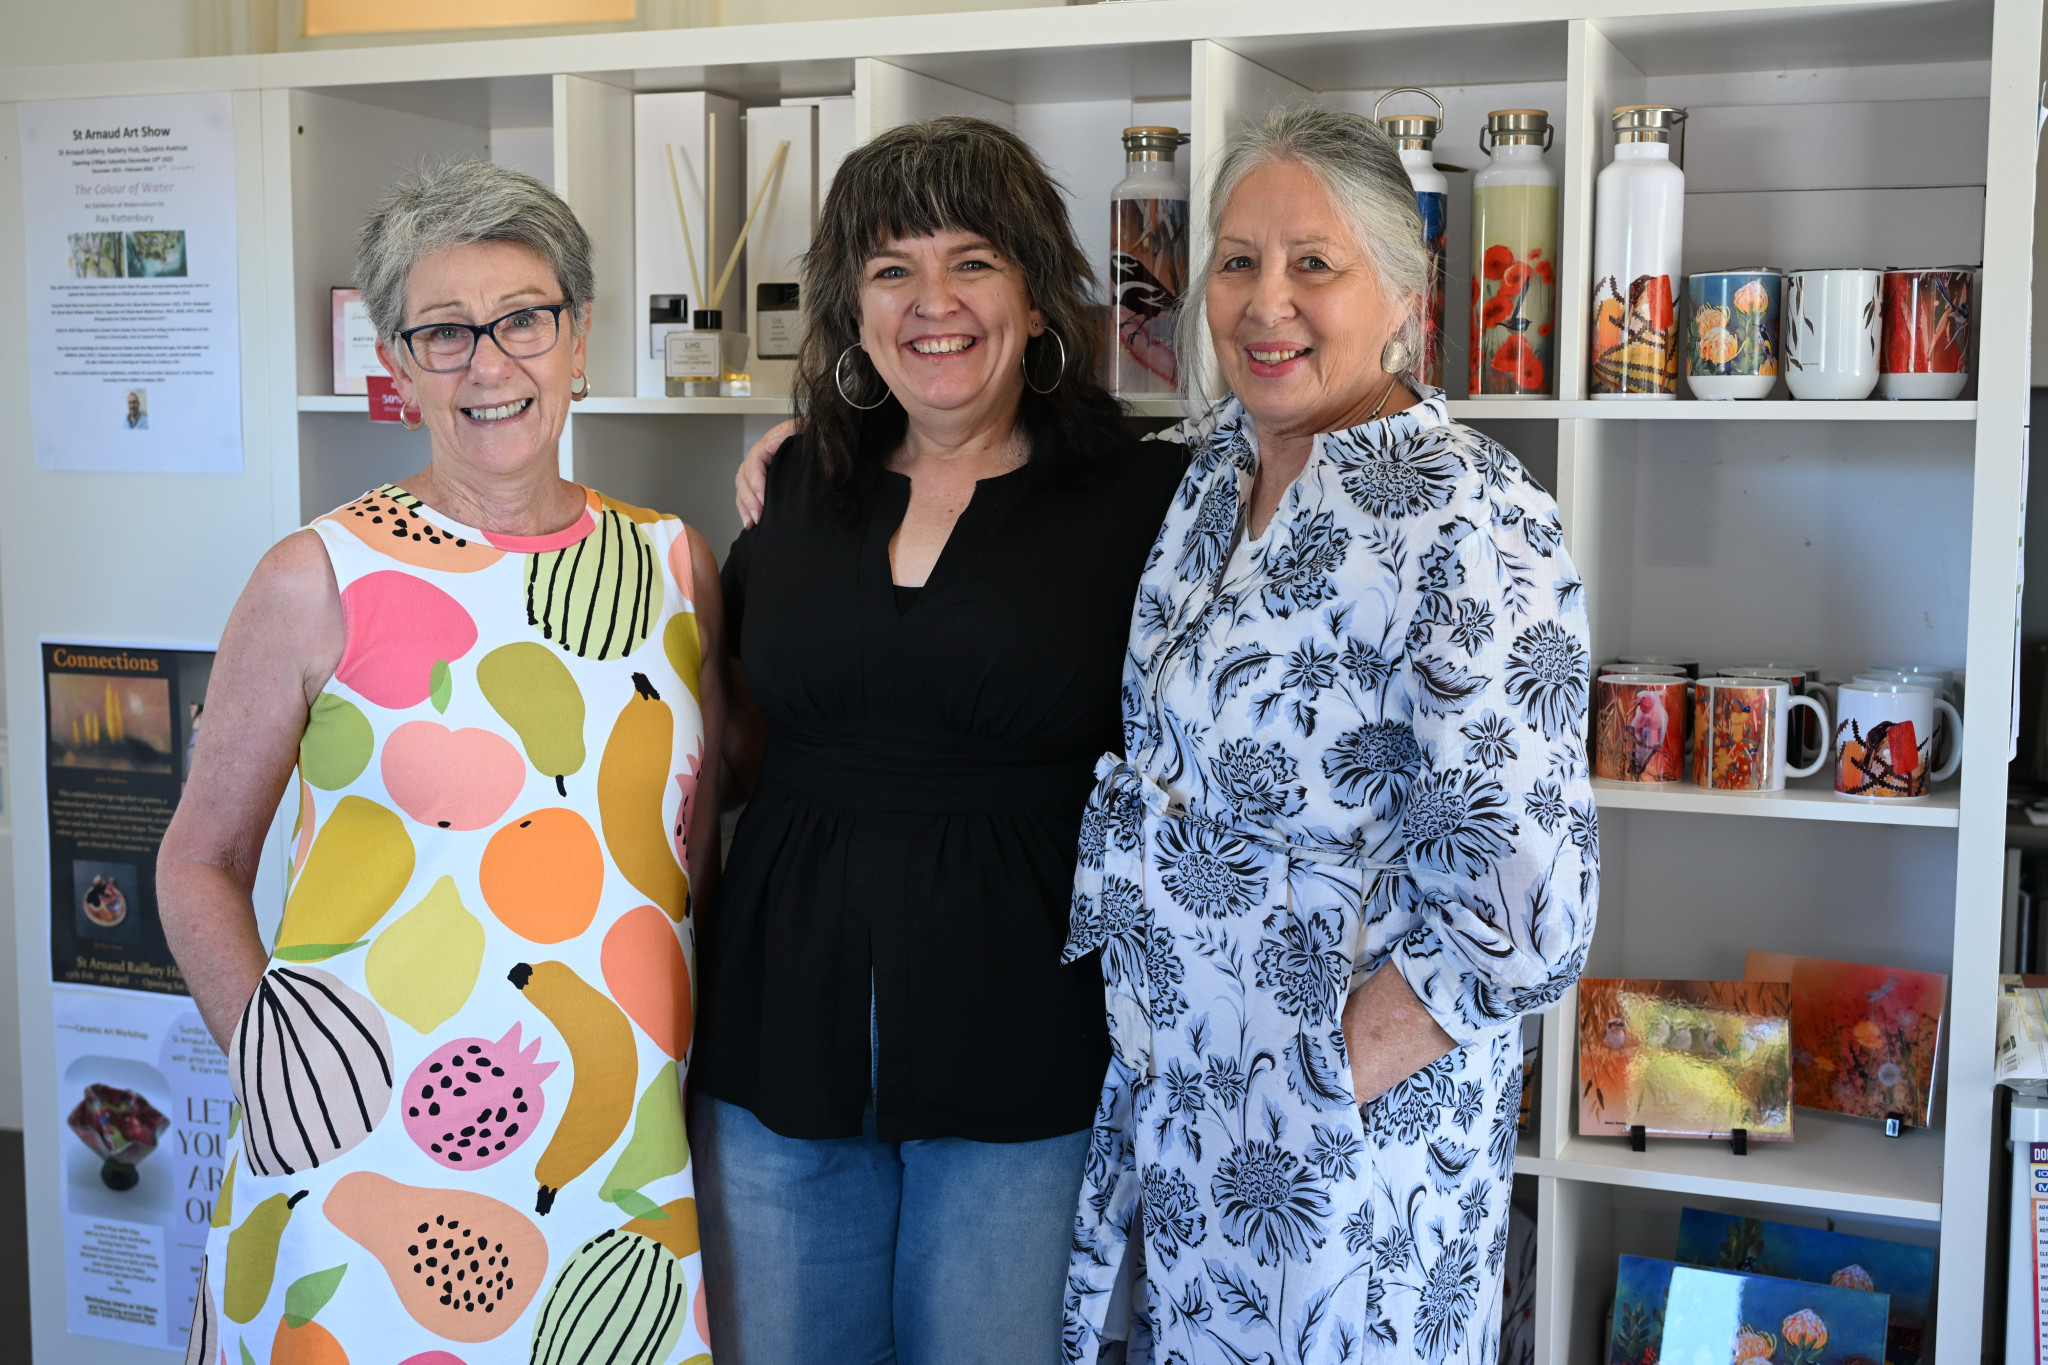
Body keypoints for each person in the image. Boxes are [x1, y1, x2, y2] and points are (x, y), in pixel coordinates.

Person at [737, 106, 1597, 1365]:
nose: (1266, 302)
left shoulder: (1467, 513)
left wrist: (1309, 1081)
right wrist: (799, 449)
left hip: (1343, 1144)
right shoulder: (1207, 477)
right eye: (1238, 262)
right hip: (1177, 1115)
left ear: (1407, 290)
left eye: (1314, 263)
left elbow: (1529, 908)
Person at [158, 160, 724, 1365]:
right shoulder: (316, 577)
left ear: (577, 340)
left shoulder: (675, 566)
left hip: (614, 1154)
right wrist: (274, 1067)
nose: (489, 362)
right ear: (398, 365)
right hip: (355, 1146)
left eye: (523, 318)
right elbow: (198, 859)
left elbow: (691, 852)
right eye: (444, 332)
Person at [691, 115, 1185, 1365]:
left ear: (1033, 297)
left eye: (971, 261)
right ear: (851, 311)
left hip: (1025, 1039)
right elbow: (732, 742)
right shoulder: (793, 489)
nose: (932, 302)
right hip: (777, 1033)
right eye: (890, 269)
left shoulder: (1148, 497)